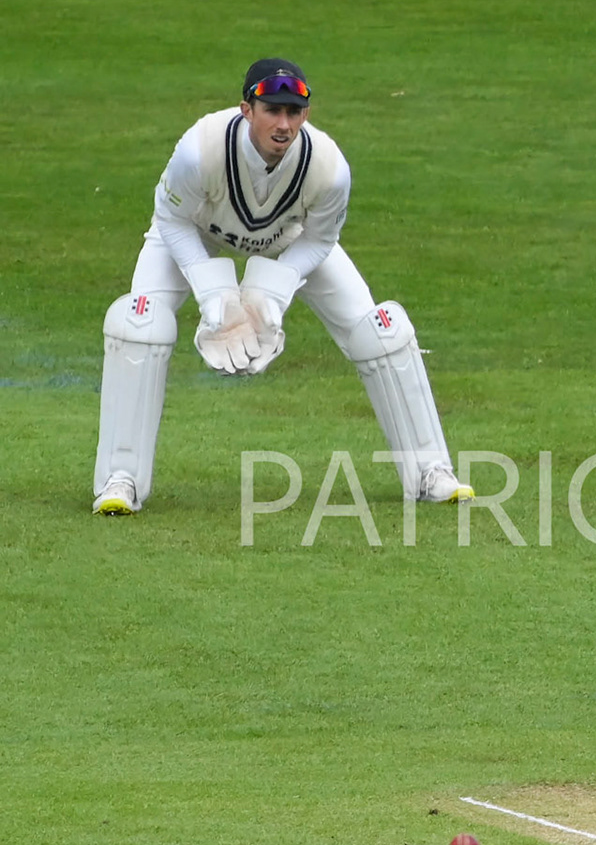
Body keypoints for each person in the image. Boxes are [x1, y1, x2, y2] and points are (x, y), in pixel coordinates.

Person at [92, 58, 473, 514]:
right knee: (140, 325)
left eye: (294, 112)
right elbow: (171, 220)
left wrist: (274, 291)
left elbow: (321, 239)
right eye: (272, 109)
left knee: (382, 331)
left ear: (306, 116)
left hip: (287, 237)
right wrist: (212, 292)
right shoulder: (201, 150)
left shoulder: (328, 168)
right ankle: (121, 480)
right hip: (193, 228)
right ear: (246, 110)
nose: (283, 123)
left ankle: (432, 472)